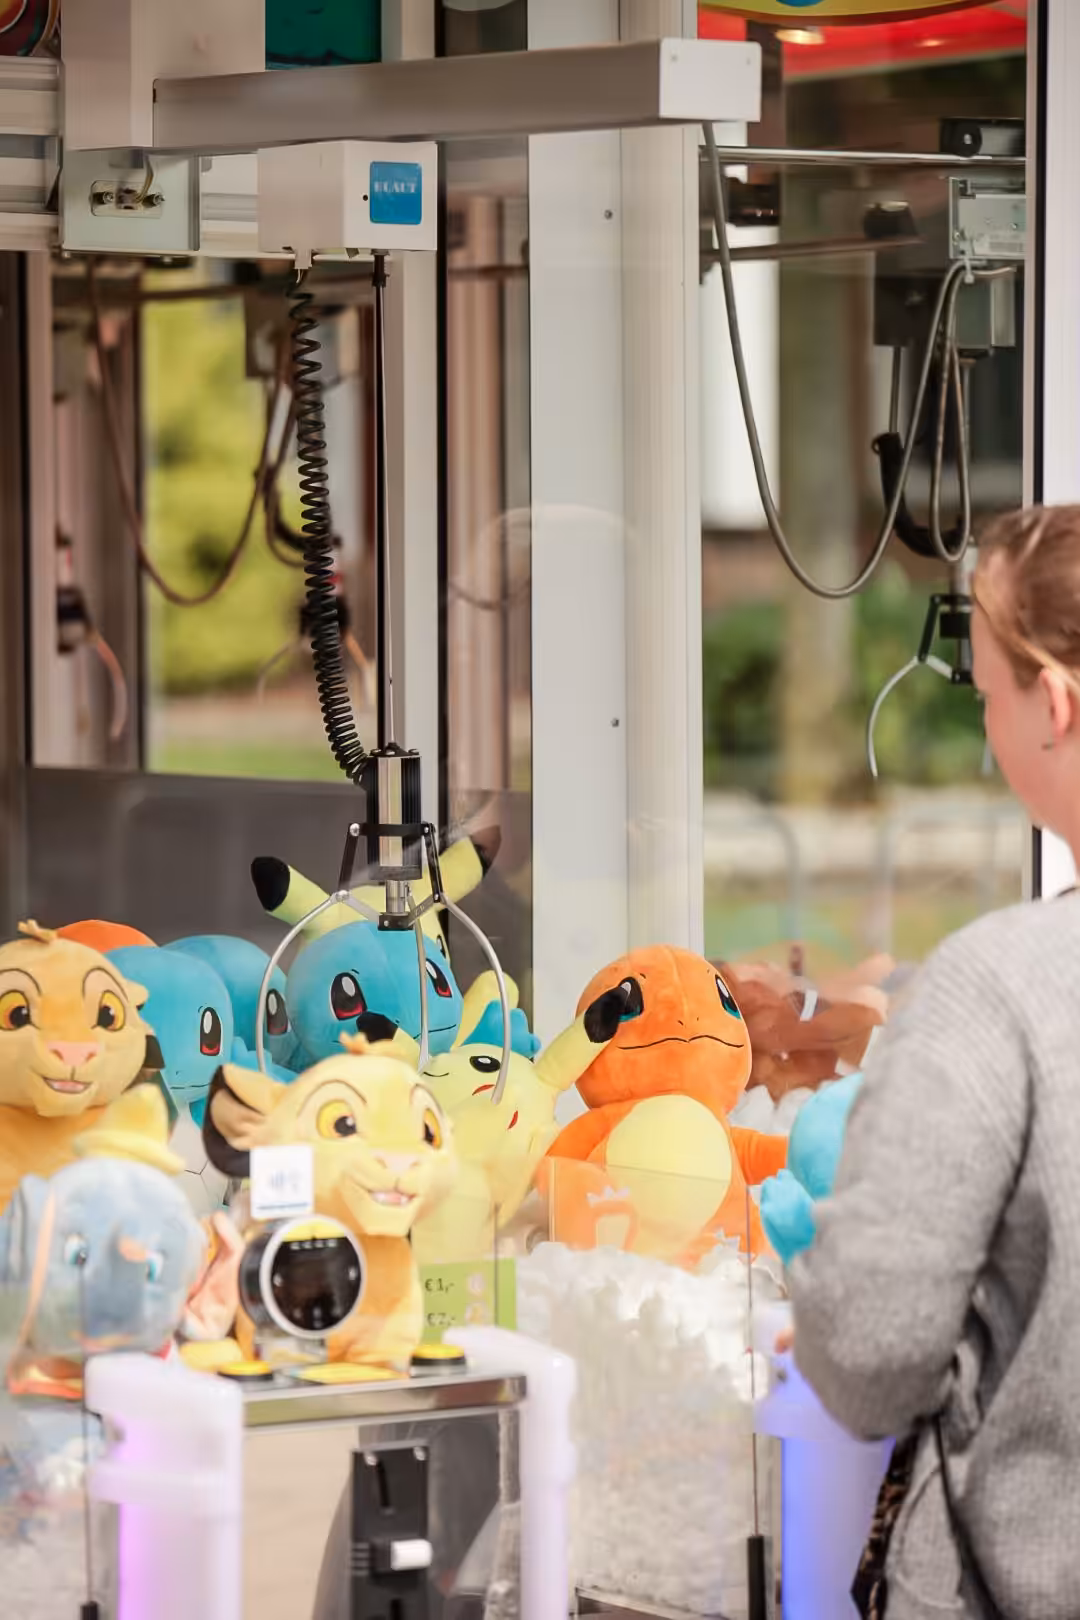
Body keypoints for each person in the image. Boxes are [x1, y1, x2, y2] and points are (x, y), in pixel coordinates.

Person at [789, 505, 1080, 1620]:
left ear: (1054, 704)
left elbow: (868, 1352)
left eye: (990, 692)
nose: (990, 728)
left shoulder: (997, 991)